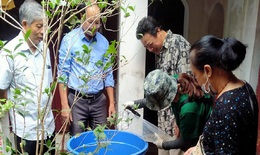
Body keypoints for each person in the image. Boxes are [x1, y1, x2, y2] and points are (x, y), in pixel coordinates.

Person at [184, 35, 258, 155]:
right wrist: (200, 148)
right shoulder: (244, 86)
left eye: (195, 75)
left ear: (207, 71)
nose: (196, 80)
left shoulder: (226, 107)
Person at [0, 0, 55, 154]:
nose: (43, 31)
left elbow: (48, 82)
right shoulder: (9, 52)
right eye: (39, 26)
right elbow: (2, 90)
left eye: (45, 26)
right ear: (25, 25)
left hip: (48, 127)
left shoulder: (45, 48)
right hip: (26, 131)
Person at [58, 3, 115, 136]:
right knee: (78, 142)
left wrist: (112, 103)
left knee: (100, 140)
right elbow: (62, 75)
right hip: (76, 100)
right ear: (82, 17)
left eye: (97, 23)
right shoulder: (69, 40)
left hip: (99, 100)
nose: (94, 27)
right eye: (90, 22)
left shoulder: (104, 43)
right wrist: (64, 105)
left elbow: (108, 74)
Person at [136, 16, 191, 155]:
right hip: (164, 121)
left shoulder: (180, 45)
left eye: (150, 44)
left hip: (177, 122)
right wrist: (136, 103)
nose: (149, 49)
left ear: (158, 30)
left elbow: (187, 84)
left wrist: (179, 121)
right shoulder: (159, 52)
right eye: (146, 47)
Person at [124, 69, 213, 153]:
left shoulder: (188, 109)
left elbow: (186, 142)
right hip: (190, 124)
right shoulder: (174, 82)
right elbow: (155, 98)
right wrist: (134, 103)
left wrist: (163, 144)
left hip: (205, 138)